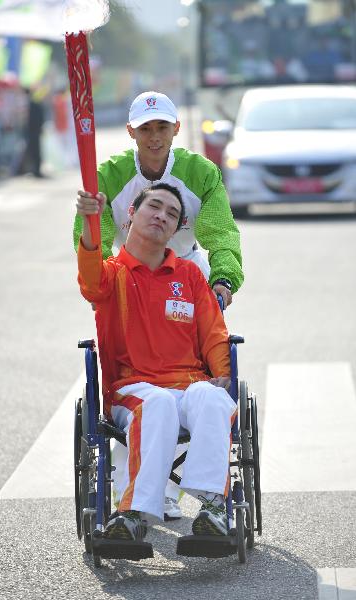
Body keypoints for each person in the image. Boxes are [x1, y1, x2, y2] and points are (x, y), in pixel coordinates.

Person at [73, 91, 243, 519]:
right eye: (145, 129)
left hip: (187, 269)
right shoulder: (110, 175)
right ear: (131, 132)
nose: (154, 137)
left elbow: (220, 232)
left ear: (174, 131)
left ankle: (213, 507)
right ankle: (139, 498)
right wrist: (93, 226)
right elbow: (90, 247)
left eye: (161, 128)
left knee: (207, 380)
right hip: (126, 272)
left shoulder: (198, 172)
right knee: (153, 394)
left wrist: (223, 280)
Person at [23, 88, 45, 178]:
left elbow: (39, 118)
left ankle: (37, 170)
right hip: (31, 132)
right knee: (33, 151)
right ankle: (34, 170)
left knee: (35, 151)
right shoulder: (31, 105)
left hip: (34, 132)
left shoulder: (34, 105)